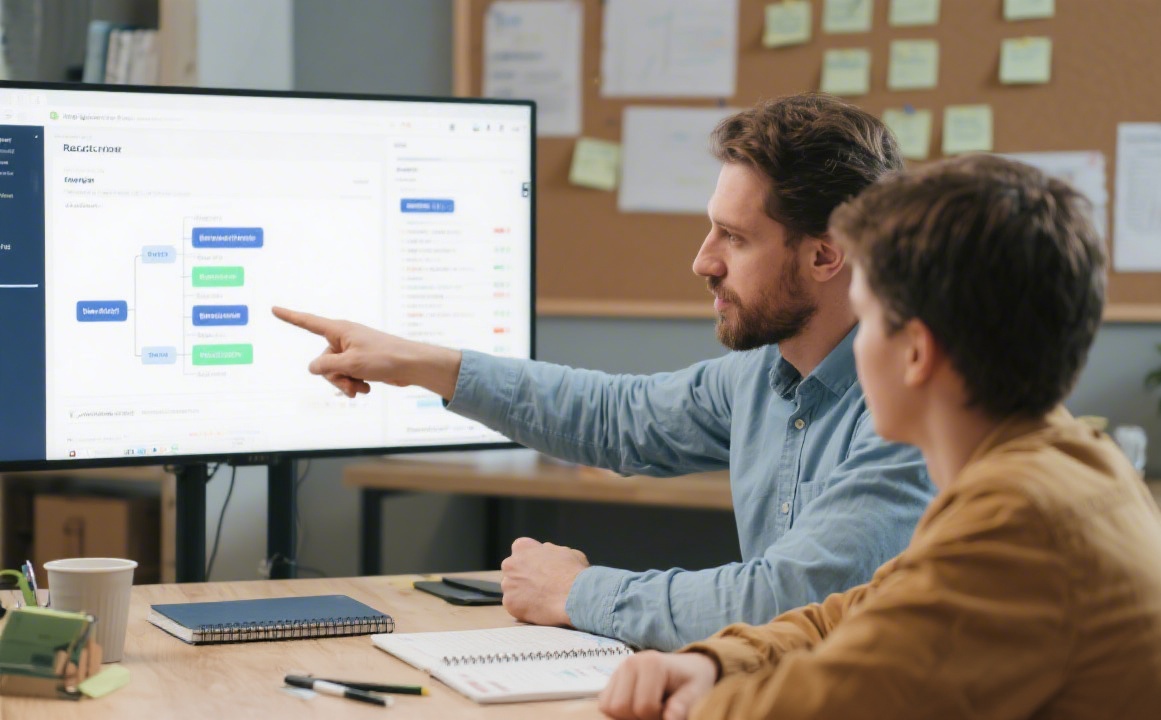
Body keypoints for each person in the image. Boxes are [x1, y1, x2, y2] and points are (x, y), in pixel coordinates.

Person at [597, 155, 1161, 720]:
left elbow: (838, 702)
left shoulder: (1027, 518)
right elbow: (868, 609)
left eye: (868, 319)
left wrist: (690, 703)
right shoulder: (1060, 461)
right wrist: (717, 661)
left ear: (916, 353)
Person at [273, 93, 932, 651]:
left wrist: (577, 591)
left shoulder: (911, 411)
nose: (703, 262)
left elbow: (784, 601)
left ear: (825, 256)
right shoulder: (767, 373)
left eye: (734, 237)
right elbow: (619, 418)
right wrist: (420, 364)